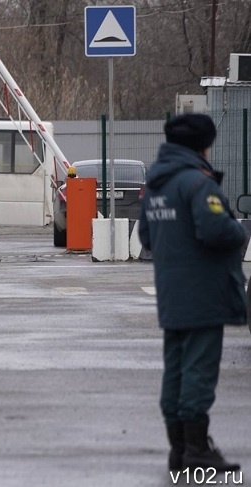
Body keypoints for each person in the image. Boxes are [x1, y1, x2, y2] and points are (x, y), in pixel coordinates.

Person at [138, 114, 244, 473]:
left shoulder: (156, 185)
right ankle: (197, 450)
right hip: (204, 294)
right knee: (199, 370)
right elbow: (218, 231)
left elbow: (146, 239)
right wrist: (240, 232)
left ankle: (179, 449)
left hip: (171, 294)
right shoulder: (198, 184)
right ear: (204, 145)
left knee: (177, 369)